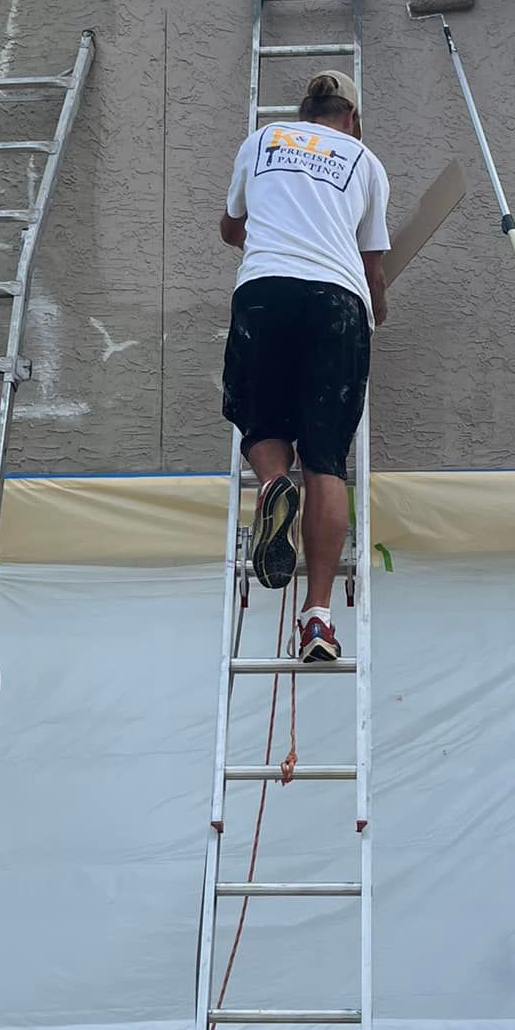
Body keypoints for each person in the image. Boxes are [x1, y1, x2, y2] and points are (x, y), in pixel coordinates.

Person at [219, 69, 390, 664]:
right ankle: (318, 617)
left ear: (303, 113)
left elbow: (230, 229)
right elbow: (371, 267)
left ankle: (273, 486)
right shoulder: (365, 161)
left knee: (262, 421)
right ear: (351, 118)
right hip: (336, 303)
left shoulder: (262, 140)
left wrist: (275, 225)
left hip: (264, 292)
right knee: (326, 460)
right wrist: (378, 310)